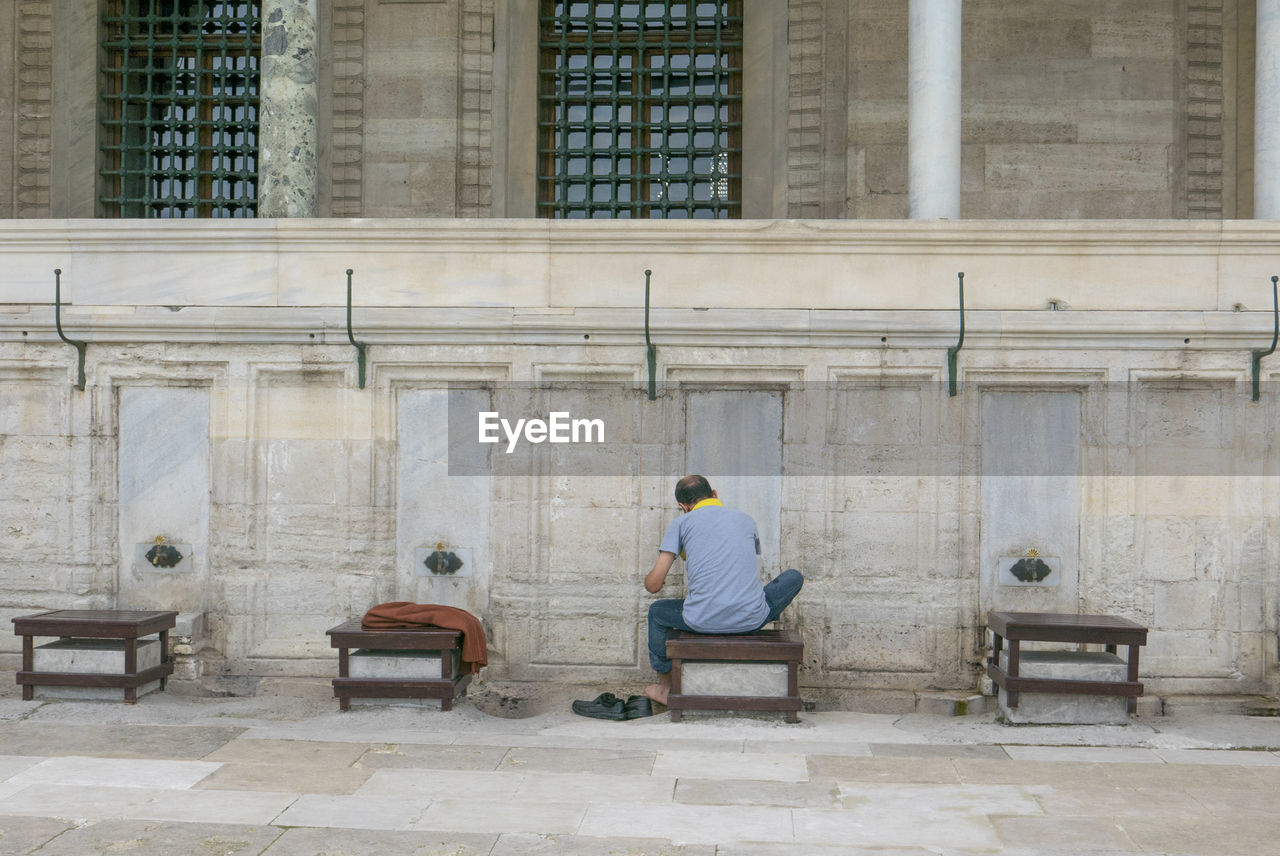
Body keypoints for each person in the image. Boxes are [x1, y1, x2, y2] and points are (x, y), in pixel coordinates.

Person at [643, 475, 803, 705]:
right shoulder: (746, 520)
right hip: (751, 618)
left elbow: (653, 585)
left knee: (657, 612)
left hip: (702, 620)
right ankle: (754, 610)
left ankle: (666, 688)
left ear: (683, 506)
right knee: (793, 577)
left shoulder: (681, 523)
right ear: (715, 494)